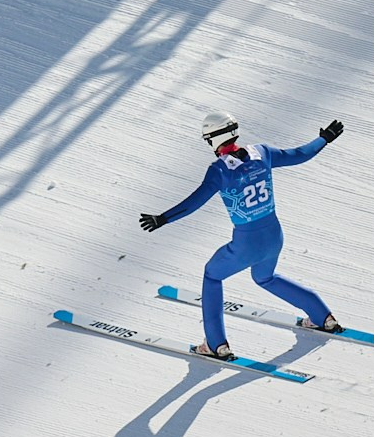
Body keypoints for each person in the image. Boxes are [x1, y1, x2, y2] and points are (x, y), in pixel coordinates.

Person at [139, 110, 345, 359]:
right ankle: (323, 317)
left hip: (246, 244)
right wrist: (323, 139)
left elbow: (195, 201)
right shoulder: (263, 152)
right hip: (274, 236)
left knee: (212, 275)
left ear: (214, 138)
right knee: (264, 277)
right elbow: (299, 154)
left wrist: (163, 218)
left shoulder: (219, 170)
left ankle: (216, 344)